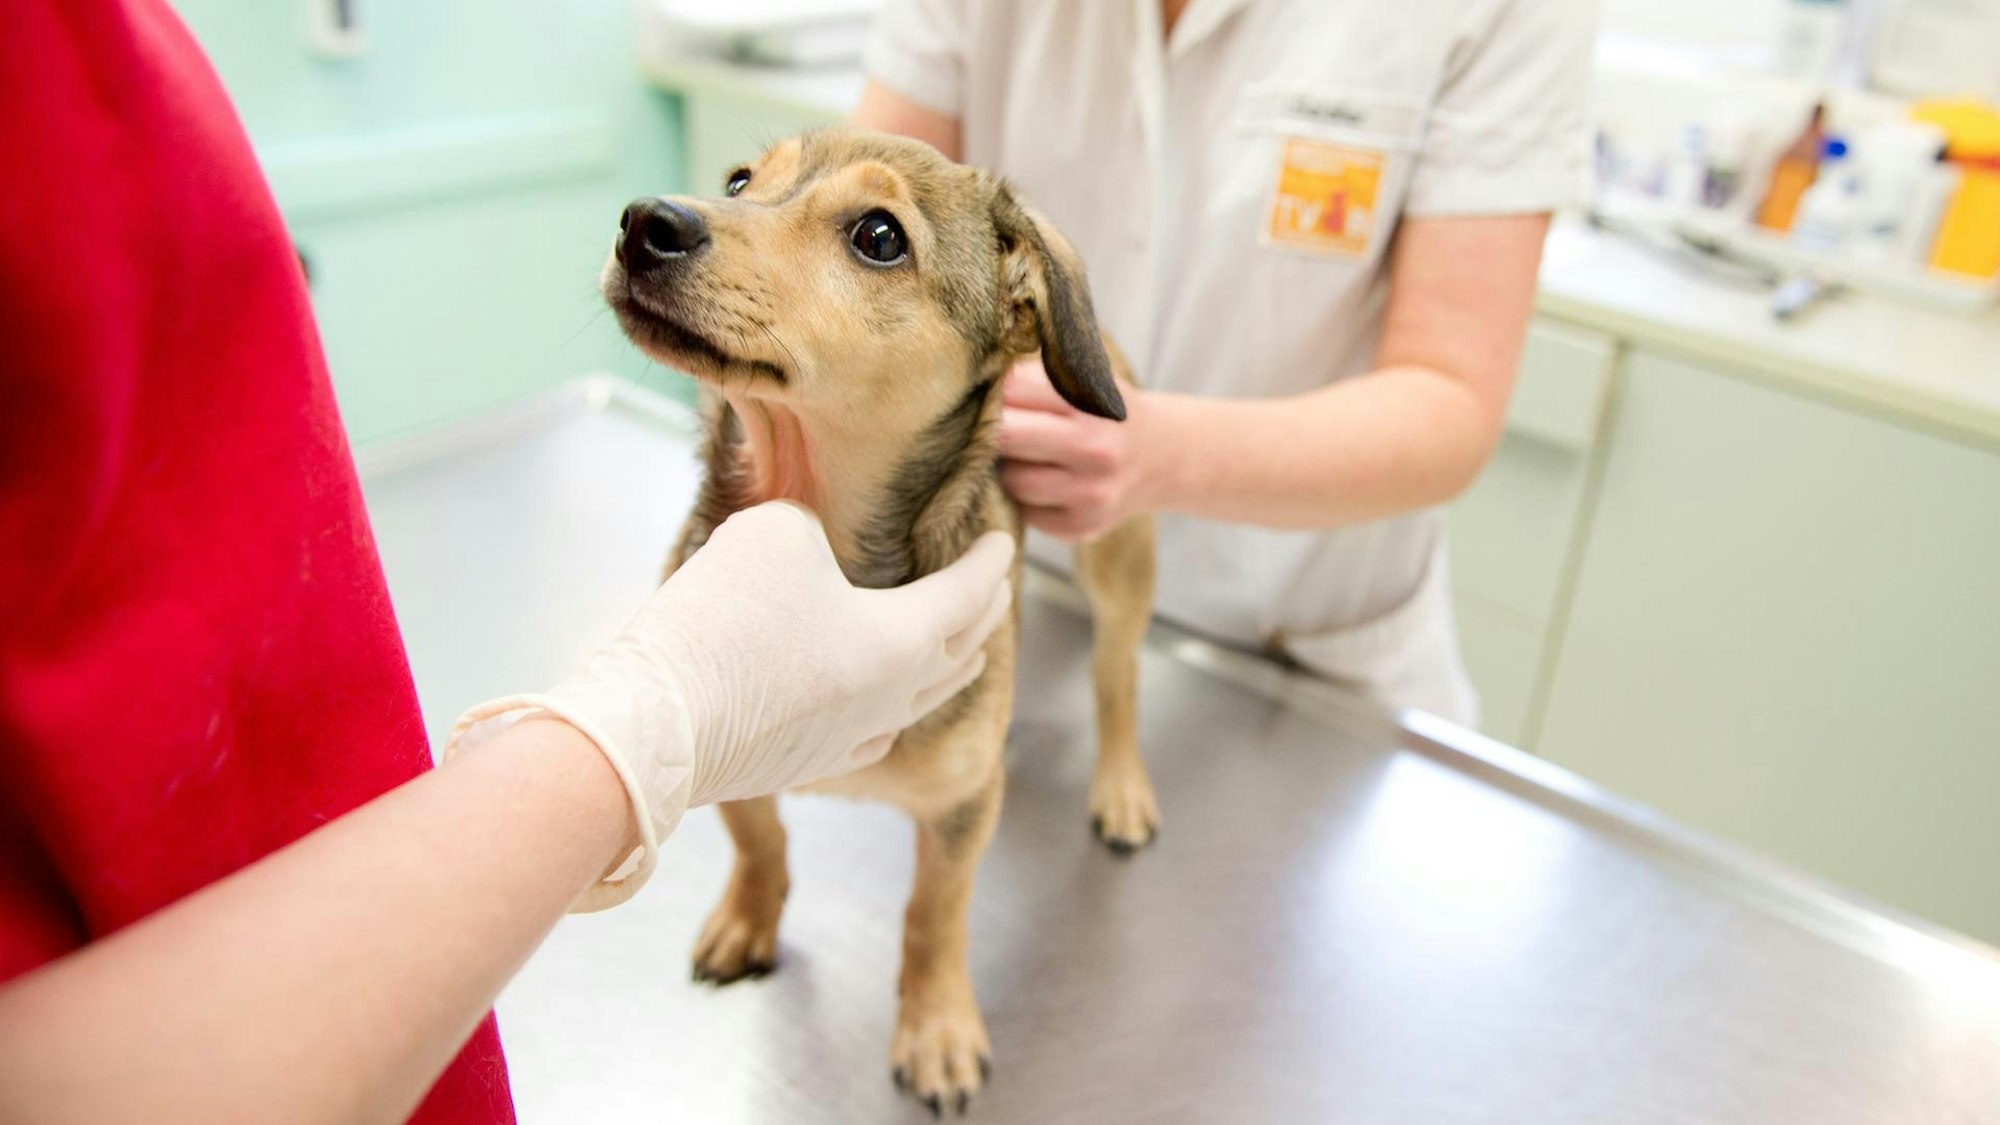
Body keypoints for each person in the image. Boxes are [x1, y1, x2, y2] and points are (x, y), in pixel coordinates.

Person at [0, 2, 1014, 1122]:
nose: (688, 220)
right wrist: (661, 725)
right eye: (738, 185)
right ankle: (759, 876)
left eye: (870, 239)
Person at [854, 0, 1597, 723]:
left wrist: (1158, 451)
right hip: (1010, 607)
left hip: (1304, 661)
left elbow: (1450, 399)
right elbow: (855, 241)